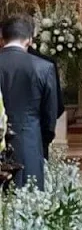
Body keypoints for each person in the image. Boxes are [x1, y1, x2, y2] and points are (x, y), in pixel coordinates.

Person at [0, 16, 58, 190]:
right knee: (28, 204)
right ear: (30, 40)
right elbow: (50, 115)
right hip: (29, 142)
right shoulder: (44, 67)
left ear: (2, 38)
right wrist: (42, 141)